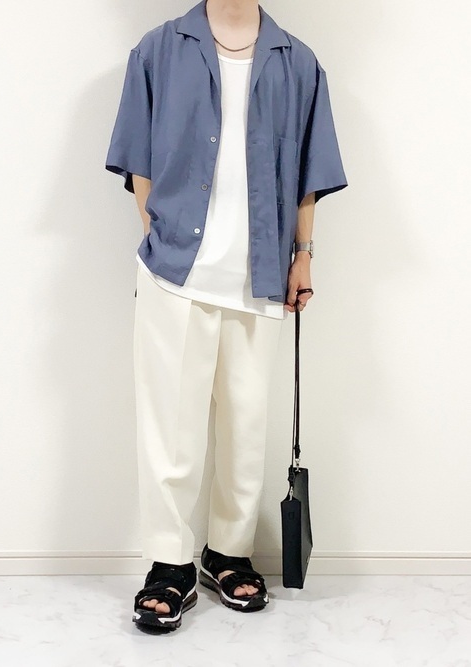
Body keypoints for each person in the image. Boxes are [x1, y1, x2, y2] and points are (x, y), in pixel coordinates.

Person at [105, 0, 347, 633]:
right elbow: (136, 159)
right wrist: (159, 237)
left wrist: (303, 254)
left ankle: (228, 552)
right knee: (171, 427)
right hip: (175, 273)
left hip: (260, 272)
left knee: (246, 423)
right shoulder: (158, 50)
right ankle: (169, 563)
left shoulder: (299, 62)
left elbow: (309, 175)